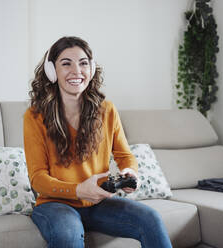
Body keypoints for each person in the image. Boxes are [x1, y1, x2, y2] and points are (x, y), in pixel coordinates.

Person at [23, 36, 172, 248]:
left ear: (91, 69)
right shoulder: (35, 116)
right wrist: (77, 190)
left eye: (83, 63)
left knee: (151, 218)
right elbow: (38, 178)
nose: (77, 71)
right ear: (51, 71)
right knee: (68, 233)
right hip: (54, 204)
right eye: (66, 63)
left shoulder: (107, 110)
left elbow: (124, 155)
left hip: (98, 203)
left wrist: (130, 172)